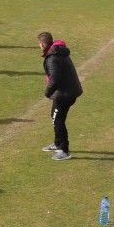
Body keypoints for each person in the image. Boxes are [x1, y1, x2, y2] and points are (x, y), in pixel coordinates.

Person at [38, 32, 83, 161]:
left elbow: (55, 79)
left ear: (42, 44)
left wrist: (47, 92)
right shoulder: (57, 52)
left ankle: (64, 150)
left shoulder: (52, 57)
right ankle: (57, 143)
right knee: (54, 116)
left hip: (65, 94)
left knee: (58, 120)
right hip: (67, 91)